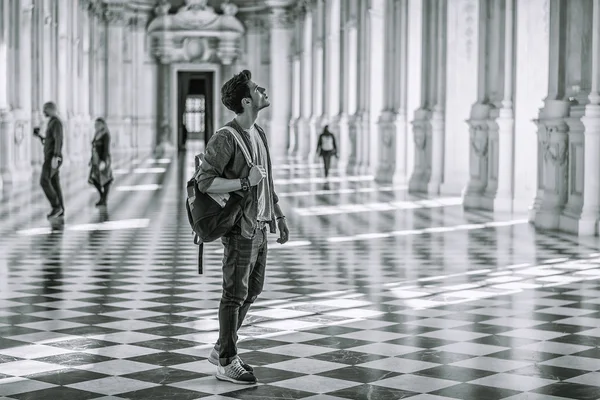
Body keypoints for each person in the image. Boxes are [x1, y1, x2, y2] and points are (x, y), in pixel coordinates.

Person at [195, 70, 290, 385]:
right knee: (234, 294)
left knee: (253, 289)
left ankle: (224, 345)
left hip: (260, 225)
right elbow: (205, 181)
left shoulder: (258, 133)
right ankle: (226, 360)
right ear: (247, 101)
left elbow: (267, 179)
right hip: (240, 228)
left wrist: (277, 215)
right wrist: (242, 181)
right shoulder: (225, 137)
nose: (263, 89)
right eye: (256, 88)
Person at [36, 102, 65, 219]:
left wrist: (56, 156)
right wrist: (40, 136)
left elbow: (59, 140)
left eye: (45, 110)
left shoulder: (56, 122)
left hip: (52, 157)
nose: (44, 112)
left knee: (44, 181)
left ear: (51, 109)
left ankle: (56, 206)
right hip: (51, 156)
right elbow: (49, 141)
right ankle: (60, 209)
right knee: (54, 183)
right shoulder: (52, 122)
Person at [88, 118, 114, 207]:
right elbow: (94, 148)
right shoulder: (96, 134)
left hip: (103, 159)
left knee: (105, 179)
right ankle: (102, 196)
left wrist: (103, 161)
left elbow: (106, 149)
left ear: (103, 125)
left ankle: (104, 199)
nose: (96, 126)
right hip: (95, 159)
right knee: (94, 179)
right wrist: (91, 159)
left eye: (98, 124)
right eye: (95, 125)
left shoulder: (106, 135)